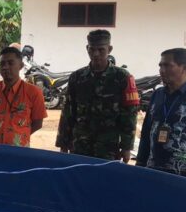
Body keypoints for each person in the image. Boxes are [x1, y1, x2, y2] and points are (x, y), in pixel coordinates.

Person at [56, 29, 140, 162]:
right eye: (92, 49)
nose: (96, 54)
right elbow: (68, 112)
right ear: (87, 48)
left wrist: (126, 147)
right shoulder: (77, 77)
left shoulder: (122, 77)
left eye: (101, 50)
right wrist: (63, 142)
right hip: (80, 145)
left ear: (109, 49)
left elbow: (130, 114)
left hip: (108, 147)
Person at [136, 48, 186, 179]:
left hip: (183, 173)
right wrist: (140, 163)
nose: (162, 70)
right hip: (152, 169)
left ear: (184, 68)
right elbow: (146, 132)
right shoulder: (157, 94)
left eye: (167, 65)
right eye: (160, 66)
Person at [0, 46, 47, 146]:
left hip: (20, 151)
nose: (5, 67)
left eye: (10, 63)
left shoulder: (34, 92)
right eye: (2, 64)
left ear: (21, 66)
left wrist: (20, 133)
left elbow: (38, 123)